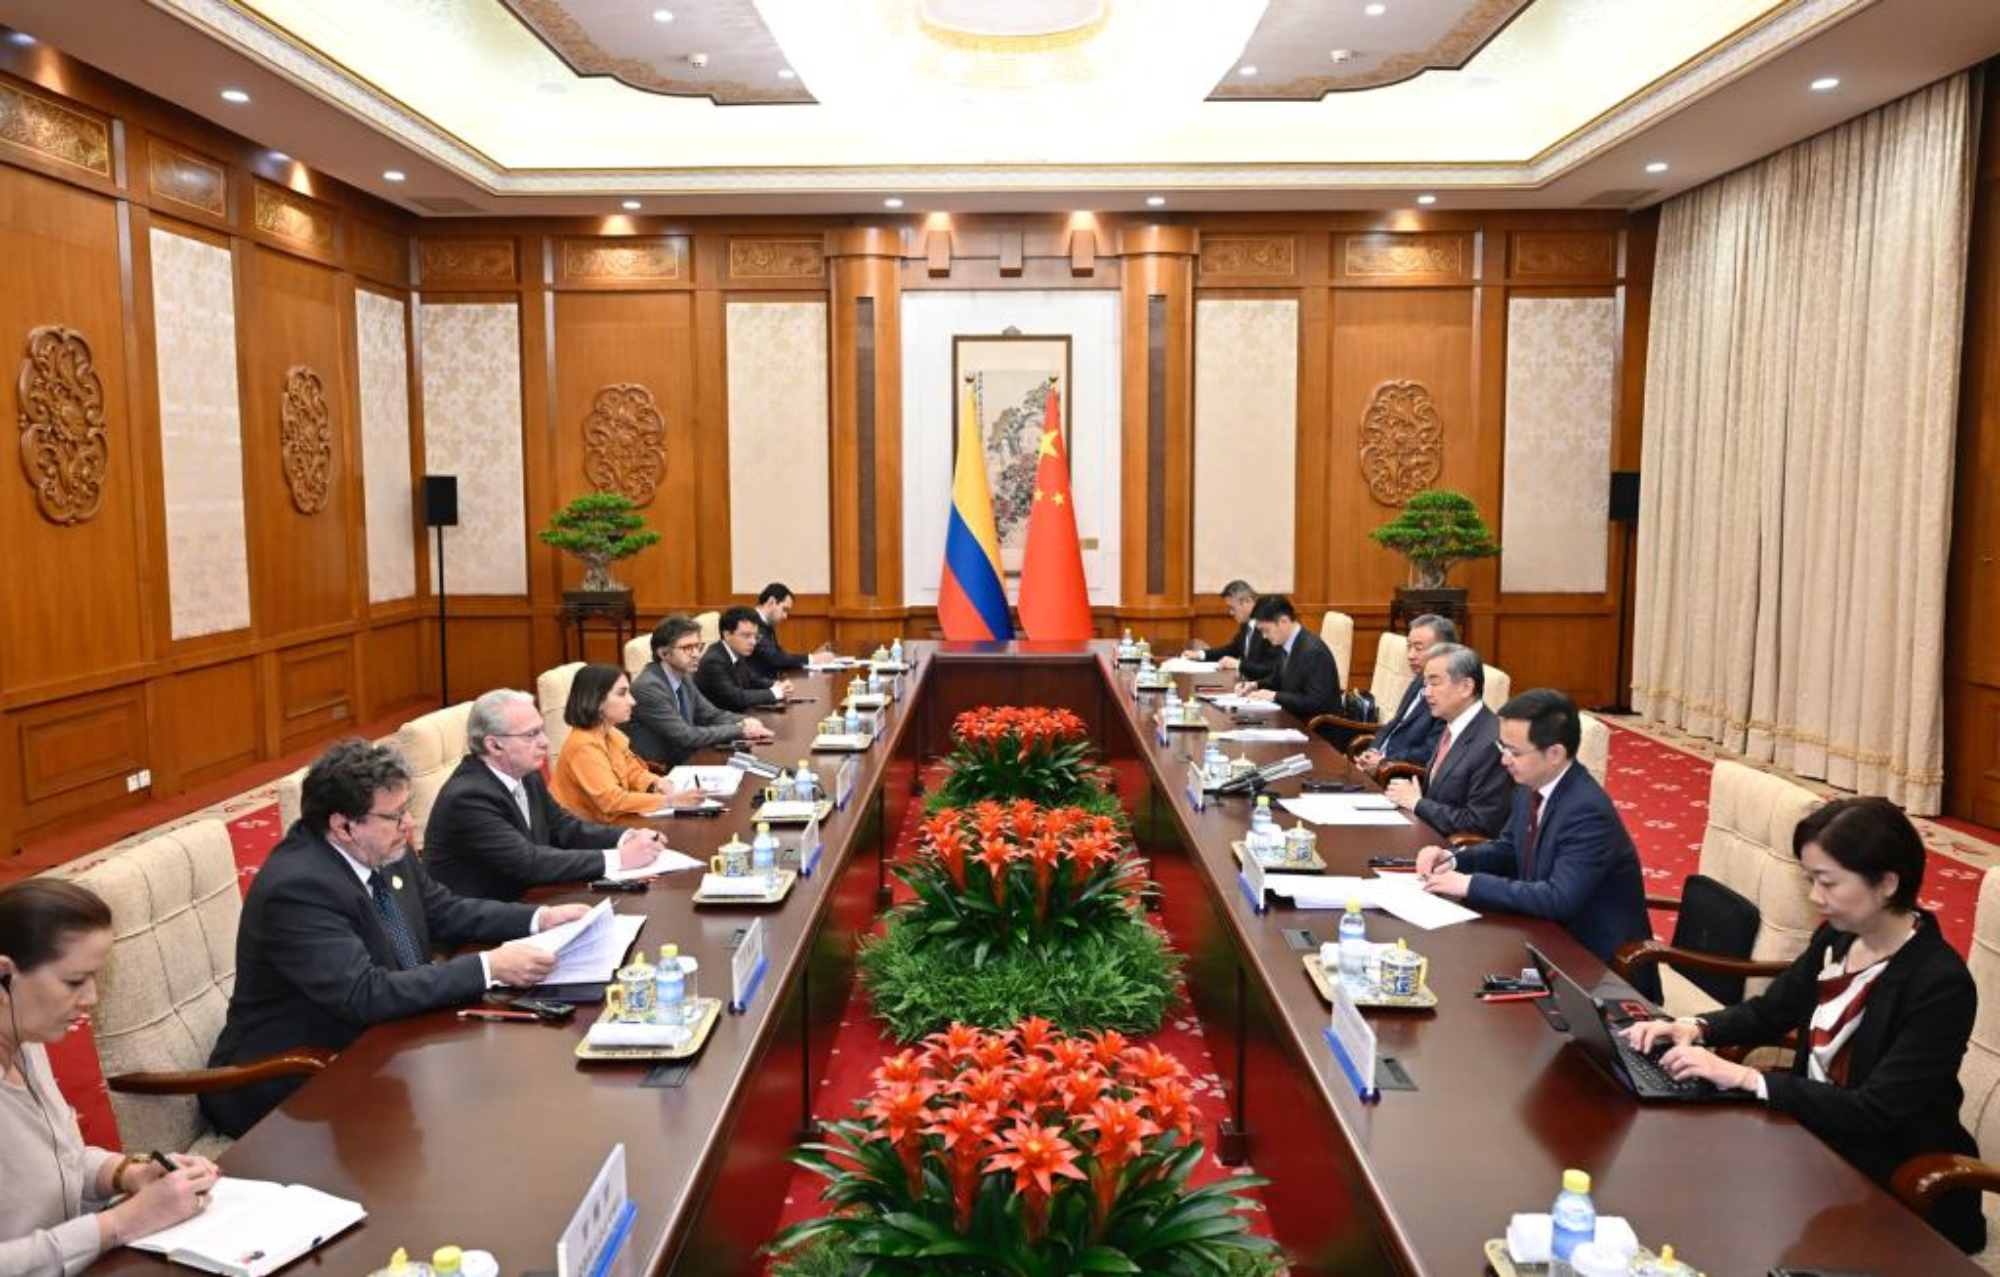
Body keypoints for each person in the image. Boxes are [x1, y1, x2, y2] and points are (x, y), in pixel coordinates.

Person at [1623, 798, 1983, 1253]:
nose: (1815, 897)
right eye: (1810, 880)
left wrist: (1747, 1078)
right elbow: (1771, 1011)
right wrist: (1695, 1027)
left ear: (1888, 883)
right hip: (1810, 1145)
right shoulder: (1837, 938)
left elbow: (1873, 1110)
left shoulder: (1940, 984)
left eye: (1828, 882)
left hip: (1892, 1180)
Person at [203, 740, 588, 1138]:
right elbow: (363, 994)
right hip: (292, 1083)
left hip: (384, 1044)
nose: (410, 825)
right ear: (343, 825)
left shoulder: (383, 847)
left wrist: (540, 918)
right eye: (396, 815)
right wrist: (487, 967)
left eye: (407, 810)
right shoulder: (300, 887)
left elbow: (445, 911)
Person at [1, 880, 222, 1276]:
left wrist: (128, 1172)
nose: (90, 999)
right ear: (4, 975)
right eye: (73, 982)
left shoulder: (26, 1038)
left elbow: (58, 1162)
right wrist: (120, 1224)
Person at [1415, 688, 1654, 996]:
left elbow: (1559, 899)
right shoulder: (1530, 784)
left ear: (1554, 754)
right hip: (1543, 940)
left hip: (1596, 966)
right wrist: (1454, 859)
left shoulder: (1587, 811)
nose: (1503, 760)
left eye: (1514, 752)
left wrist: (1470, 885)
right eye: (1502, 746)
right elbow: (1507, 848)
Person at [424, 689, 673, 900]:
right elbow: (527, 862)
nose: (545, 742)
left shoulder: (524, 772)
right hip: (482, 928)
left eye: (542, 731)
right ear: (494, 745)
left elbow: (562, 826)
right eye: (531, 735)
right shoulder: (468, 797)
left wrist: (626, 837)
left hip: (531, 897)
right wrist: (619, 858)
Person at [1383, 643, 1513, 837]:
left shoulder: (1492, 743)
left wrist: (1418, 803)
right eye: (1425, 684)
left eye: (1434, 683)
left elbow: (1480, 823)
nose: (1426, 692)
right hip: (1426, 835)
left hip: (1455, 855)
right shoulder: (1451, 724)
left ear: (1466, 687)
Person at [550, 665, 709, 823]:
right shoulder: (583, 746)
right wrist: (670, 801)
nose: (632, 701)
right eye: (622, 694)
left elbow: (633, 771)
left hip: (613, 824)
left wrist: (655, 783)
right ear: (597, 700)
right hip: (583, 837)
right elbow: (611, 800)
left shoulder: (612, 733)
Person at [626, 615, 774, 768]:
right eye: (687, 648)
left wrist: (745, 720)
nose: (696, 654)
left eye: (698, 646)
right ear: (663, 653)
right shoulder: (649, 687)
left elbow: (710, 715)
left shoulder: (683, 676)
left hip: (686, 759)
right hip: (658, 771)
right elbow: (686, 736)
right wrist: (740, 730)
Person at [1353, 614, 1453, 771]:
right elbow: (1395, 723)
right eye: (1409, 647)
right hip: (1379, 767)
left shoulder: (1449, 695)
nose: (1410, 655)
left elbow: (1430, 753)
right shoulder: (1420, 678)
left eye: (1418, 648)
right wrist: (1372, 751)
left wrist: (1384, 761)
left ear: (1443, 651)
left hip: (1401, 776)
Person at [1234, 595, 1339, 725]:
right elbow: (1278, 679)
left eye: (1266, 630)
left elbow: (1317, 703)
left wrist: (1274, 696)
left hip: (1316, 731)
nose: (1264, 636)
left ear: (1283, 621)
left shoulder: (1313, 652)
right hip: (1292, 721)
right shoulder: (1286, 644)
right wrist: (1255, 685)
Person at [697, 607, 793, 713]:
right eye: (746, 636)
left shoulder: (737, 652)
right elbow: (736, 698)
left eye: (756, 637)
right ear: (727, 635)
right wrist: (775, 693)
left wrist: (777, 684)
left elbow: (754, 680)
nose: (753, 642)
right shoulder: (713, 661)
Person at [1181, 580, 1277, 684]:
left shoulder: (1269, 627)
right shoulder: (1247, 625)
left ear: (1247, 601)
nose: (1231, 613)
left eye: (1232, 608)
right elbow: (1232, 649)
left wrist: (1238, 664)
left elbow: (1271, 669)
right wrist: (1200, 654)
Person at [747, 583, 832, 681]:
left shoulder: (767, 624)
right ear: (771, 602)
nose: (785, 616)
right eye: (784, 609)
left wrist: (812, 658)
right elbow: (776, 659)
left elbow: (780, 656)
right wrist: (812, 659)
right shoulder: (752, 623)